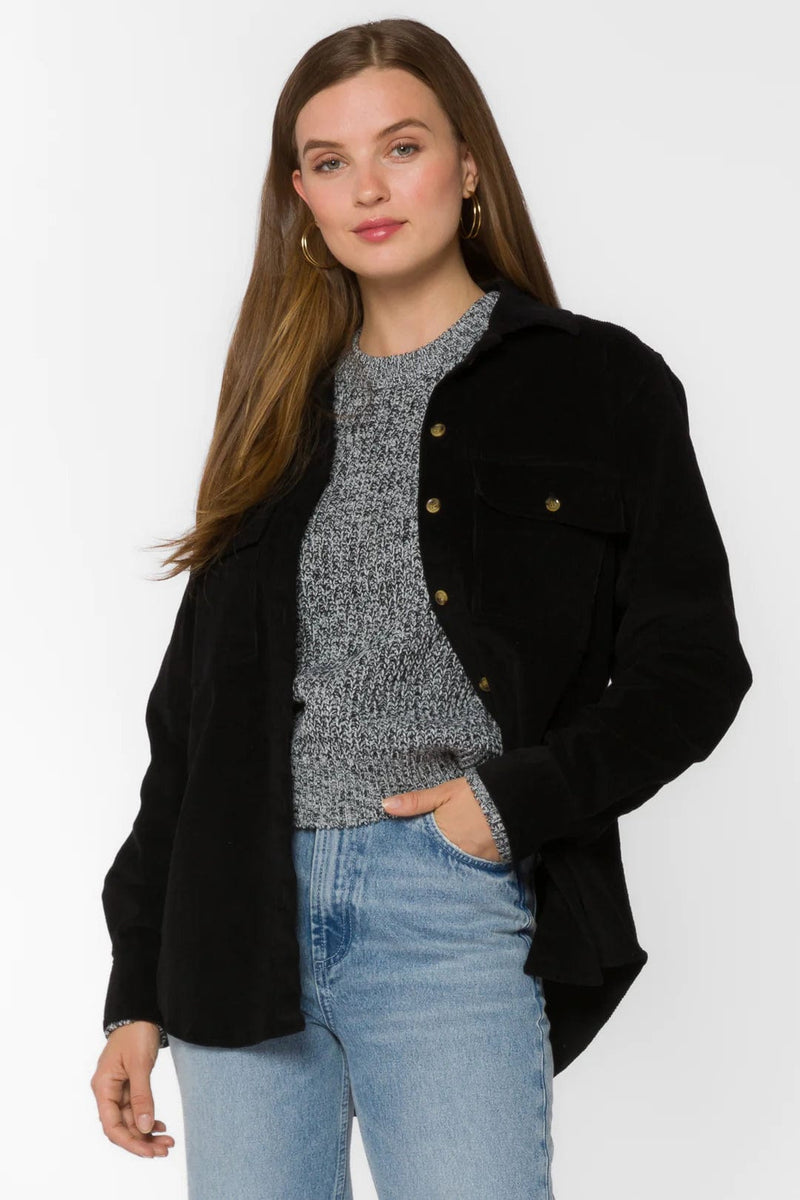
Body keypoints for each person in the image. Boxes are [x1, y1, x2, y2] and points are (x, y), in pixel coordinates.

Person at [90, 17, 752, 1200]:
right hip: (236, 920)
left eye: (400, 146)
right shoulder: (274, 413)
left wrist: (501, 810)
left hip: (444, 908)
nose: (369, 187)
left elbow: (691, 669)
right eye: (330, 160)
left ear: (467, 164)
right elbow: (187, 728)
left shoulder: (599, 384)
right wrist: (135, 989)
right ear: (301, 197)